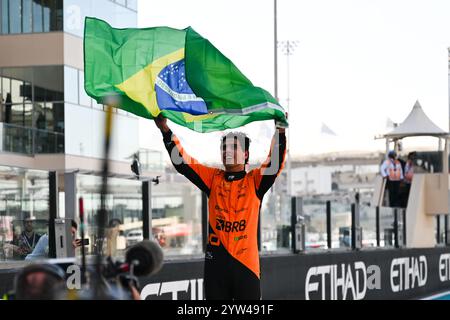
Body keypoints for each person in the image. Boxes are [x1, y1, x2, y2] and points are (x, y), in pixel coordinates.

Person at [154, 114, 286, 300]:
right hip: (216, 267)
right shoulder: (212, 178)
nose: (227, 151)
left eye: (233, 147)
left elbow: (275, 163)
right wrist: (165, 131)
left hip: (246, 268)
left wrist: (280, 130)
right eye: (224, 147)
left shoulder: (255, 181)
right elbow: (182, 163)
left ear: (245, 154)